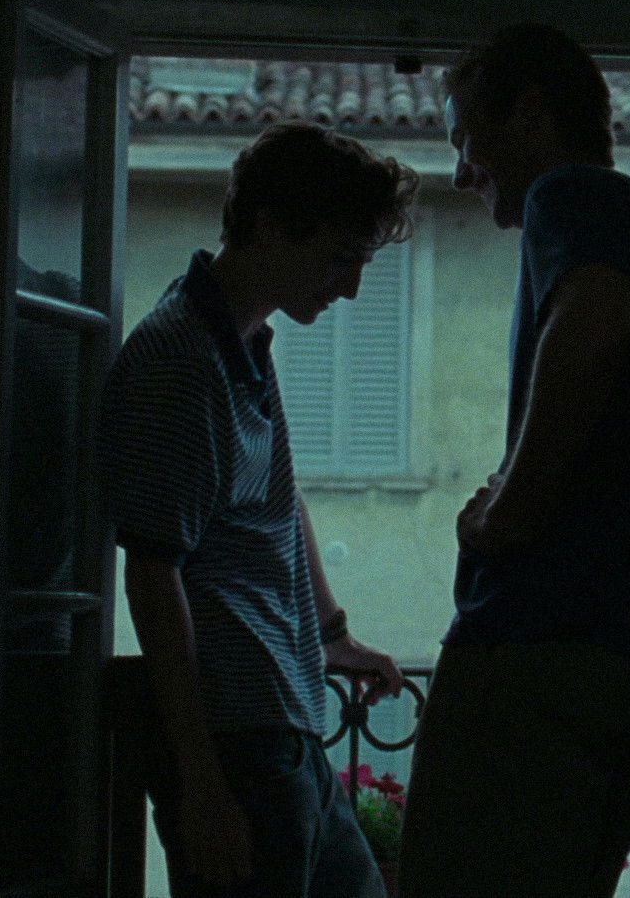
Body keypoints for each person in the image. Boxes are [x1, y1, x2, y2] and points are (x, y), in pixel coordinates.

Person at [398, 24, 630, 898]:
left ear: (534, 114)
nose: (462, 172)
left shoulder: (571, 196)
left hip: (541, 646)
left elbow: (595, 324)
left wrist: (507, 510)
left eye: (467, 140)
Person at [99, 121, 416, 898]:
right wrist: (201, 780)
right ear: (271, 228)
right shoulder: (180, 361)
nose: (351, 287)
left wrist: (331, 635)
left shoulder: (240, 341)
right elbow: (152, 572)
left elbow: (277, 495)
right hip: (236, 743)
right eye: (341, 257)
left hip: (282, 724)